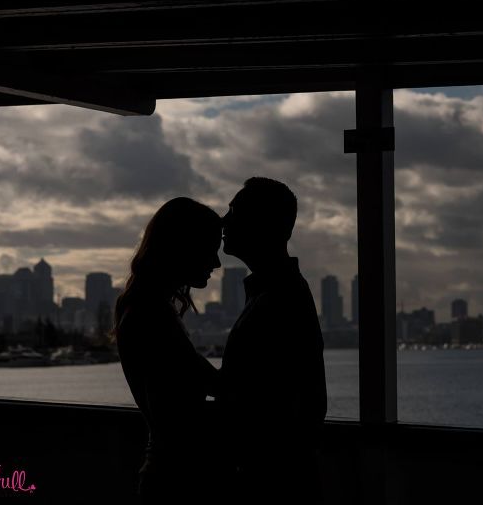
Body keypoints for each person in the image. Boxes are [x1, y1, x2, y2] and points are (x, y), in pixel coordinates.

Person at [218, 177, 327, 504]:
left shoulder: (278, 300)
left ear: (260, 224)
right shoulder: (280, 292)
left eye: (234, 210)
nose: (224, 220)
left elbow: (278, 401)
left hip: (270, 484)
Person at [112, 197, 226, 503]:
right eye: (210, 248)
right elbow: (188, 406)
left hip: (167, 472)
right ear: (183, 247)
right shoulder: (153, 315)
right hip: (177, 479)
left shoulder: (146, 308)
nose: (217, 263)